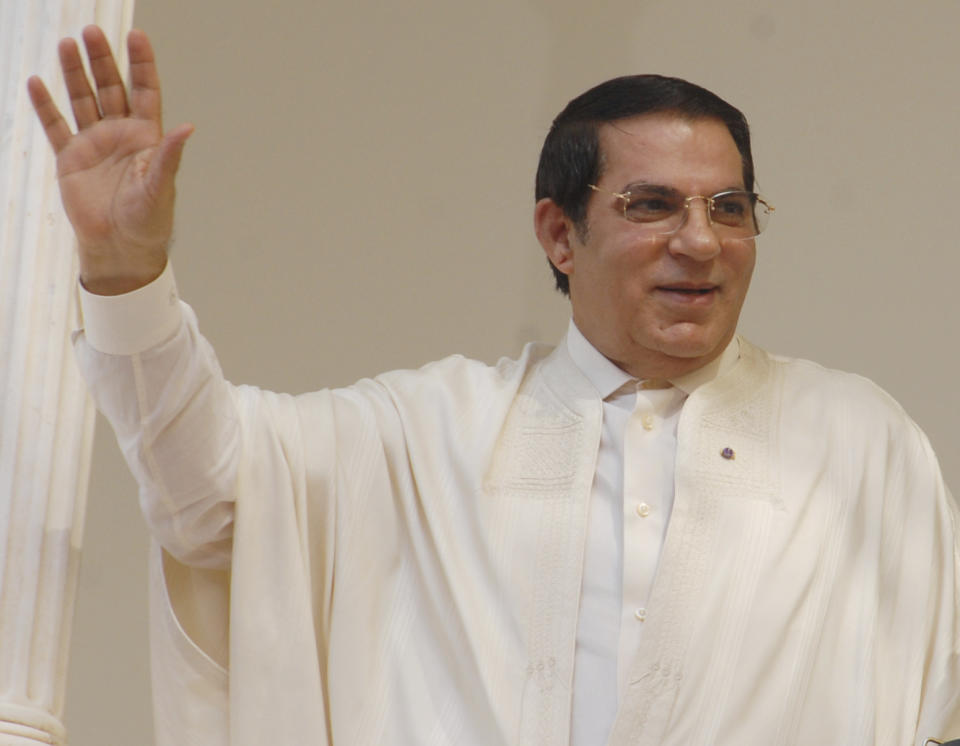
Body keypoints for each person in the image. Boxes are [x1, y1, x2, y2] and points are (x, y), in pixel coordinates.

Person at [29, 25, 960, 746]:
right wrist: (125, 271)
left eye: (729, 208)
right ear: (560, 234)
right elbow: (206, 497)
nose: (701, 241)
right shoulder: (426, 435)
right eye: (651, 205)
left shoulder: (857, 443)